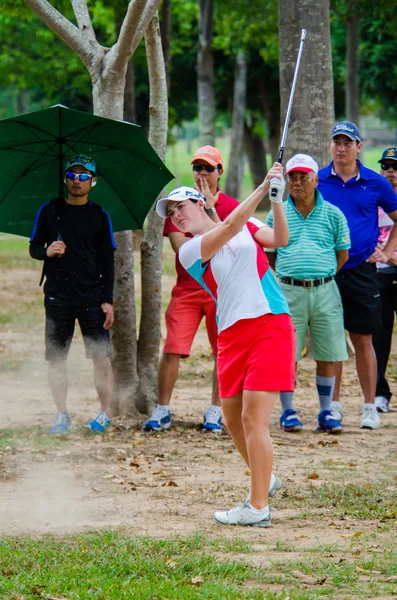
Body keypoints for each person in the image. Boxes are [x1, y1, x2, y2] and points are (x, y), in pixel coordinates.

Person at [155, 166, 294, 528]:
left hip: (269, 323)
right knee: (233, 421)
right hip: (231, 334)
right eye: (171, 213)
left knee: (252, 418)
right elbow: (229, 227)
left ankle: (258, 506)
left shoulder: (246, 226)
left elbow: (280, 238)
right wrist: (263, 186)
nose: (176, 215)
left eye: (180, 206)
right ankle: (266, 479)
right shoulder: (188, 250)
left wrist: (276, 200)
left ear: (200, 203)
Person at [143, 146, 239, 433]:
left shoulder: (232, 206)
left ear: (220, 172)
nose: (202, 173)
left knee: (222, 350)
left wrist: (211, 228)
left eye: (209, 168)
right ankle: (162, 410)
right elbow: (182, 248)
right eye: (197, 167)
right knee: (173, 347)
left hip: (220, 290)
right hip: (187, 289)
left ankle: (215, 410)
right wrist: (214, 236)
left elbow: (232, 244)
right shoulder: (179, 204)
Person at [318, 122, 397, 430]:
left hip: (363, 270)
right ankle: (333, 406)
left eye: (347, 142)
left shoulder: (376, 183)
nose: (341, 147)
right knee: (331, 340)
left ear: (358, 147)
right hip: (326, 269)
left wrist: (387, 250)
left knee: (363, 339)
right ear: (330, 146)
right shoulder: (318, 180)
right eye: (336, 141)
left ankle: (369, 406)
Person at [29, 155, 116, 434]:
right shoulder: (49, 211)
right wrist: (47, 251)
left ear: (93, 181)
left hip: (92, 297)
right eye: (72, 175)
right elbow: (34, 247)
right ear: (65, 178)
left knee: (101, 357)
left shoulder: (100, 216)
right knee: (56, 358)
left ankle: (105, 414)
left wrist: (107, 300)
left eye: (83, 176)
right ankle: (61, 415)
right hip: (57, 297)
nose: (76, 181)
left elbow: (108, 261)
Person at [266, 154, 350, 433]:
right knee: (286, 353)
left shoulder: (333, 214)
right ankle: (288, 411)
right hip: (288, 292)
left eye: (303, 176)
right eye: (292, 176)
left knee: (327, 352)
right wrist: (293, 276)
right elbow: (270, 255)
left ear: (316, 179)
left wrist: (321, 275)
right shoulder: (277, 211)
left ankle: (326, 412)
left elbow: (342, 254)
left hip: (326, 290)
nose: (297, 181)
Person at [372, 148, 397, 413]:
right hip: (378, 277)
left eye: (395, 167)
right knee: (379, 338)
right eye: (386, 167)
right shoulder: (374, 204)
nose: (391, 172)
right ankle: (380, 393)